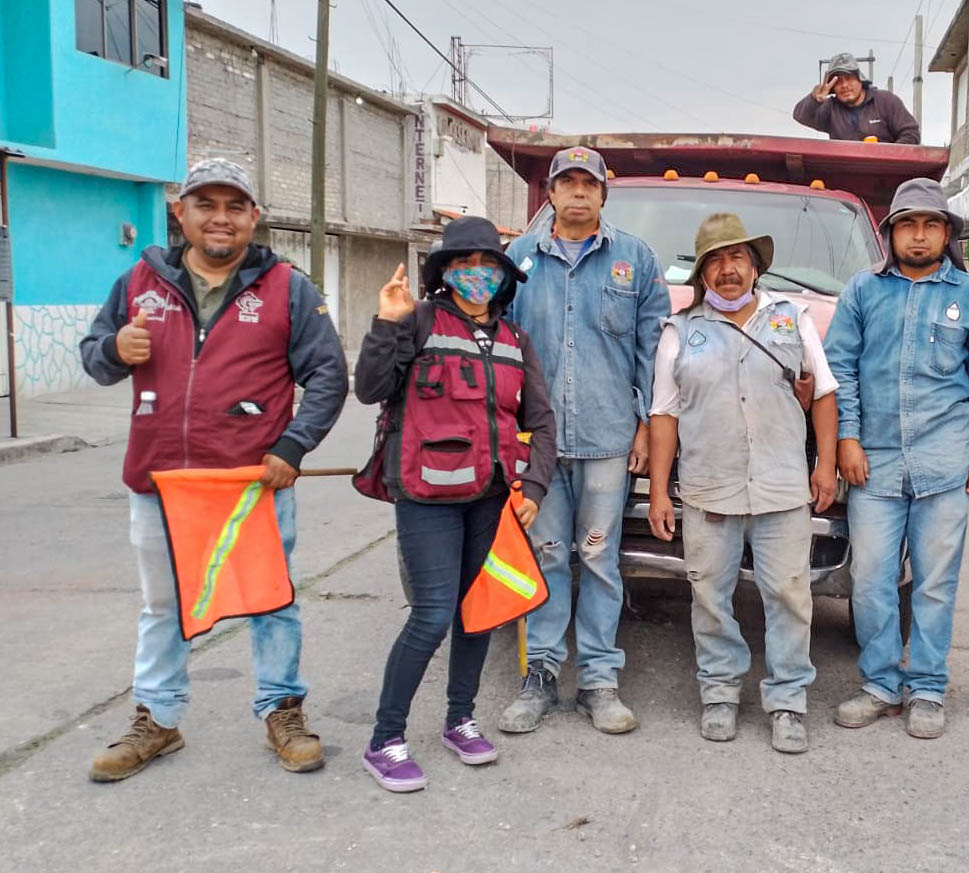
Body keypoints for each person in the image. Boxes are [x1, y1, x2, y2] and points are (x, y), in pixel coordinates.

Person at [79, 158, 348, 781]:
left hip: (249, 484)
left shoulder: (288, 288)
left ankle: (282, 709)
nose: (220, 218)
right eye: (206, 204)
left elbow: (327, 373)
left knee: (270, 601)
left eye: (234, 206)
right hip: (160, 485)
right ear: (181, 212)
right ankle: (158, 718)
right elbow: (95, 358)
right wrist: (116, 349)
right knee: (163, 606)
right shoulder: (138, 283)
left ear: (254, 217)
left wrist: (292, 447)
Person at [352, 216, 557, 792]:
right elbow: (370, 388)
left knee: (479, 615)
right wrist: (385, 325)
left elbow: (540, 421)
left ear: (502, 277)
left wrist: (534, 489)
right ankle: (385, 739)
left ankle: (458, 720)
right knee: (432, 615)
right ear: (445, 272)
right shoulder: (417, 320)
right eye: (464, 265)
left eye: (487, 266)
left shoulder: (516, 340)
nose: (477, 275)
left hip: (492, 499)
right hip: (426, 496)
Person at [646, 213, 839, 754]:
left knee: (789, 595)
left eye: (737, 258)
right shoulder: (680, 331)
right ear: (702, 273)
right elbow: (664, 413)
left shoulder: (791, 317)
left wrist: (824, 465)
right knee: (710, 595)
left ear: (755, 267)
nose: (727, 270)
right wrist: (660, 490)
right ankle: (720, 691)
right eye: (715, 260)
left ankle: (787, 702)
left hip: (781, 485)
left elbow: (823, 392)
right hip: (709, 487)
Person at [498, 146, 670, 735]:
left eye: (587, 183)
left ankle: (599, 679)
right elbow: (497, 346)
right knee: (544, 559)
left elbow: (654, 353)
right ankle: (540, 675)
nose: (576, 192)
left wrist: (647, 426)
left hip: (608, 441)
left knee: (598, 558)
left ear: (603, 193)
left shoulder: (635, 260)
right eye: (565, 182)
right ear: (549, 193)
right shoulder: (519, 259)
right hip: (537, 443)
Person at [823, 177, 969, 740]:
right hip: (872, 463)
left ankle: (927, 687)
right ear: (891, 233)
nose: (919, 236)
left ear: (946, 233)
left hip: (945, 460)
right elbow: (839, 370)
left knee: (934, 583)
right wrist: (846, 439)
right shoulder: (863, 290)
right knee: (872, 581)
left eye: (930, 224)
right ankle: (879, 684)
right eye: (908, 224)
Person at [792, 52, 921, 144]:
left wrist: (889, 155)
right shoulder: (830, 108)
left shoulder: (886, 101)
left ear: (860, 79)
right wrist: (815, 99)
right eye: (838, 81)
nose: (844, 85)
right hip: (845, 175)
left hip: (887, 173)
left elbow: (911, 133)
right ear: (833, 88)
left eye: (849, 78)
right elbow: (800, 116)